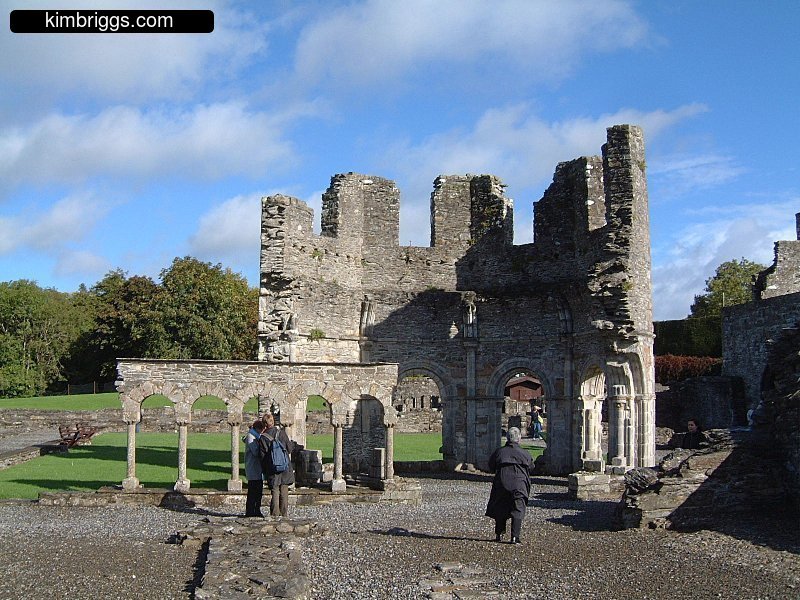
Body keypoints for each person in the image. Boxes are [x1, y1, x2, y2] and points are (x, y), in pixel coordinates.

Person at [485, 427, 533, 544]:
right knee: (518, 508)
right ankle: (515, 537)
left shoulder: (499, 452)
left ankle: (499, 533)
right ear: (519, 439)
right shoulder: (525, 453)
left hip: (502, 482)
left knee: (501, 506)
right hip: (519, 484)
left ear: (507, 438)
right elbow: (531, 467)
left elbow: (491, 466)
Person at [261, 412, 295, 517]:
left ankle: (275, 514)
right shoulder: (282, 433)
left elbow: (262, 456)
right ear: (273, 421)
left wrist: (265, 469)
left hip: (272, 467)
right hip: (284, 466)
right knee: (284, 490)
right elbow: (289, 449)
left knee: (275, 490)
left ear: (265, 424)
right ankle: (284, 514)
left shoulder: (263, 437)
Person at [243, 419, 266, 517]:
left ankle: (256, 510)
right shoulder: (251, 437)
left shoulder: (255, 436)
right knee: (253, 491)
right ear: (258, 428)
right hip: (253, 468)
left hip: (257, 469)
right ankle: (250, 511)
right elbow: (256, 452)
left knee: (258, 491)